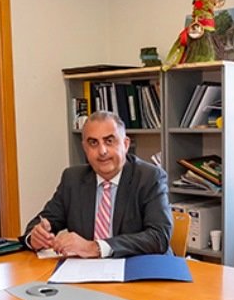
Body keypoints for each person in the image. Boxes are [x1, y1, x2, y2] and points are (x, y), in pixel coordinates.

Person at [23, 111, 172, 258]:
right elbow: (42, 222)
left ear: (126, 144)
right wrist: (35, 237)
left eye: (109, 141)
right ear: (85, 148)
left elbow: (159, 237)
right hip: (86, 272)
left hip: (138, 270)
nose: (102, 151)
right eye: (93, 143)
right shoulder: (72, 179)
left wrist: (96, 247)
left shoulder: (149, 177)